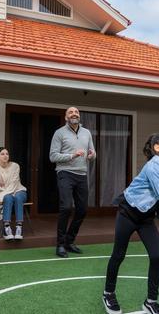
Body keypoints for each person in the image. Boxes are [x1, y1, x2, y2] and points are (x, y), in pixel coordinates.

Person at [102, 130, 159, 314]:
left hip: (146, 218)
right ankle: (108, 293)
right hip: (128, 212)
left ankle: (150, 301)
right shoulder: (153, 166)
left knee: (157, 256)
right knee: (118, 255)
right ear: (157, 148)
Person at [49, 106, 96, 258]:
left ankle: (70, 241)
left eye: (76, 112)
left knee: (82, 210)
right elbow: (53, 156)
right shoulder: (59, 133)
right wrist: (72, 155)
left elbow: (92, 153)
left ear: (79, 116)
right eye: (71, 112)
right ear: (65, 117)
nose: (74, 114)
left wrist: (91, 155)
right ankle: (60, 245)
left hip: (82, 174)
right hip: (65, 173)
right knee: (66, 208)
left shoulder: (86, 132)